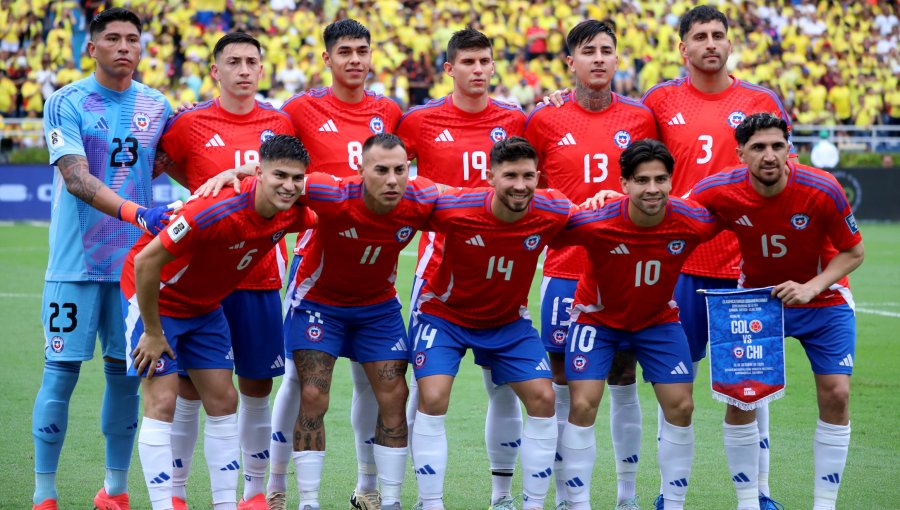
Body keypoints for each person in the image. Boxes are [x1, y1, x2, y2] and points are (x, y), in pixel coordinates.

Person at [640, 7, 791, 509]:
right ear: (682, 48)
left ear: (730, 44)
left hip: (746, 270)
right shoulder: (660, 101)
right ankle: (670, 496)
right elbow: (638, 167)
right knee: (673, 391)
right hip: (678, 268)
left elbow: (783, 177)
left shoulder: (759, 101)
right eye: (700, 36)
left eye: (719, 35)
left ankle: (755, 496)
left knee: (751, 387)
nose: (711, 43)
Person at [120, 135, 316, 510]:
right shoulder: (213, 209)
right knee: (163, 400)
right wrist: (152, 331)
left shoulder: (292, 209)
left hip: (205, 306)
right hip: (156, 298)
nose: (289, 186)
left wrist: (238, 170)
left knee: (225, 400)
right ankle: (166, 504)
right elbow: (146, 261)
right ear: (259, 172)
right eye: (279, 176)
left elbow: (331, 197)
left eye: (297, 178)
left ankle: (225, 504)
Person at [33, 8, 173, 510]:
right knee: (60, 374)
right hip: (73, 265)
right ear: (90, 48)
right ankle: (43, 495)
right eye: (111, 38)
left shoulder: (158, 106)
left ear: (141, 48)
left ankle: (114, 492)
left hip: (132, 270)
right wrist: (139, 212)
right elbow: (76, 178)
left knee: (124, 374)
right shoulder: (65, 101)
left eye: (132, 39)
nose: (123, 47)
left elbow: (179, 163)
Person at [690, 113, 863, 510]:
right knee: (741, 400)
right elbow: (674, 217)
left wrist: (811, 287)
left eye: (777, 146)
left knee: (837, 393)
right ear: (740, 154)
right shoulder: (719, 190)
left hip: (824, 299)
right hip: (755, 301)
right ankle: (749, 502)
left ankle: (825, 504)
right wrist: (619, 199)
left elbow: (854, 251)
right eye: (758, 148)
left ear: (790, 149)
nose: (769, 156)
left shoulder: (822, 188)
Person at [154, 31, 295, 510]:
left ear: (261, 69)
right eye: (231, 61)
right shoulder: (190, 123)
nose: (242, 69)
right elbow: (159, 168)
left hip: (258, 277)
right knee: (192, 388)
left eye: (250, 61)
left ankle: (253, 496)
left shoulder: (281, 123)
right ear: (215, 70)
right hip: (201, 282)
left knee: (256, 384)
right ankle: (175, 494)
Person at [524, 20, 657, 510]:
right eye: (588, 51)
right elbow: (520, 182)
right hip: (564, 269)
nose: (598, 58)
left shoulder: (642, 120)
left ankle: (627, 497)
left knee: (624, 379)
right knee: (562, 387)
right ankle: (567, 498)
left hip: (625, 274)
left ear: (618, 58)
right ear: (569, 62)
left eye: (607, 50)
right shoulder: (543, 119)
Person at [270, 20, 404, 509]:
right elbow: (271, 162)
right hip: (317, 257)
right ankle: (279, 485)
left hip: (372, 266)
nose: (354, 59)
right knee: (301, 381)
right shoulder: (300, 109)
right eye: (344, 51)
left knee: (374, 383)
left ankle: (368, 487)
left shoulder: (389, 111)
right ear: (327, 58)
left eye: (362, 51)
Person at [395, 27, 528, 509]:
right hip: (439, 271)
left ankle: (502, 496)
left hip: (504, 269)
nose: (478, 70)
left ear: (494, 66)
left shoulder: (516, 119)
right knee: (422, 386)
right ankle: (412, 492)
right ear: (449, 69)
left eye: (485, 61)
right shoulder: (420, 120)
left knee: (506, 386)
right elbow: (386, 171)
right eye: (467, 62)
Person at [555, 139, 719, 510]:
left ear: (672, 181)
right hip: (596, 318)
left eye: (661, 179)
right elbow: (544, 225)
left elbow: (738, 213)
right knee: (582, 404)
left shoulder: (691, 221)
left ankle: (673, 503)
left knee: (681, 407)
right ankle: (577, 504)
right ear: (624, 183)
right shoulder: (595, 220)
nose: (652, 189)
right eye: (642, 180)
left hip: (657, 320)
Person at [409, 137, 569, 510]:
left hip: (507, 320)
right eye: (510, 175)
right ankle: (429, 502)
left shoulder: (553, 208)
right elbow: (406, 200)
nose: (520, 184)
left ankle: (525, 503)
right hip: (446, 314)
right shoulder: (455, 207)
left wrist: (607, 198)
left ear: (538, 177)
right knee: (432, 397)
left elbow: (591, 219)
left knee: (545, 399)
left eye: (528, 175)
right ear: (490, 177)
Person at [284, 133, 439, 510]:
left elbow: (469, 198)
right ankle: (308, 502)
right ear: (361, 170)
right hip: (318, 302)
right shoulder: (329, 192)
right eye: (381, 170)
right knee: (312, 395)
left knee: (395, 397)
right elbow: (274, 179)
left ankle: (391, 501)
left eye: (400, 170)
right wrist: (236, 172)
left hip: (378, 307)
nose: (392, 180)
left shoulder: (421, 198)